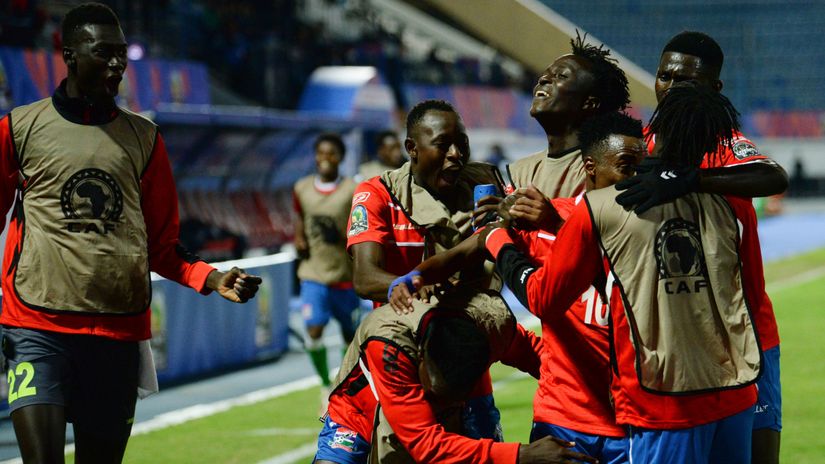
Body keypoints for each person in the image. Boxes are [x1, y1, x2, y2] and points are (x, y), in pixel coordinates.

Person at [0, 4, 261, 463]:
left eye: (122, 53)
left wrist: (211, 278)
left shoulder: (145, 139)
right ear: (70, 55)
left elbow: (162, 245)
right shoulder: (20, 129)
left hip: (117, 334)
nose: (118, 64)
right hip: (38, 328)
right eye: (105, 52)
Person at [488, 83, 766, 464]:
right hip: (736, 393)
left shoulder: (609, 207)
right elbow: (753, 290)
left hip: (665, 402)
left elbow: (542, 299)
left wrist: (497, 242)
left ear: (659, 137)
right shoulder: (733, 204)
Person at [390, 112, 649, 464]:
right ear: (591, 167)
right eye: (626, 167)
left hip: (635, 421)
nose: (635, 179)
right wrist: (417, 275)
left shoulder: (654, 229)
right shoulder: (537, 218)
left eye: (642, 167)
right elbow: (474, 247)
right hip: (563, 419)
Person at [616, 31, 785, 464]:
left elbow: (772, 177)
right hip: (670, 344)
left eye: (685, 80)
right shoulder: (638, 145)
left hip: (746, 336)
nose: (670, 87)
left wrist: (692, 180)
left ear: (714, 88)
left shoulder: (724, 142)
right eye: (663, 76)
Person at [346, 99, 521, 443]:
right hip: (397, 362)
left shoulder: (486, 186)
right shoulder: (377, 194)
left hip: (466, 360)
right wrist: (411, 286)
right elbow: (365, 278)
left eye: (462, 143)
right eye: (443, 144)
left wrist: (510, 217)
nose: (456, 153)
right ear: (411, 148)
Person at [314, 292, 588, 464]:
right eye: (436, 393)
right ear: (421, 357)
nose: (438, 404)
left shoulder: (492, 324)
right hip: (360, 414)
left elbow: (541, 357)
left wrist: (591, 387)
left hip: (464, 411)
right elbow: (425, 444)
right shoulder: (388, 344)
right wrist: (521, 455)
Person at [293, 132, 360, 409]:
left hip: (344, 276)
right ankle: (324, 383)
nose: (325, 159)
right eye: (321, 153)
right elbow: (300, 216)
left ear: (341, 158)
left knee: (349, 335)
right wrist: (298, 236)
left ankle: (341, 383)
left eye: (331, 153)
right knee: (314, 328)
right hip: (313, 273)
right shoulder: (302, 188)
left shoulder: (352, 190)